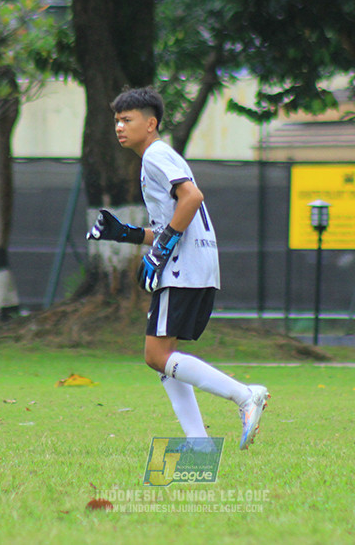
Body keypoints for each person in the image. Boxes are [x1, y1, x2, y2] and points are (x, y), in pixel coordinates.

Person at [86, 86, 269, 450]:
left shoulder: (155, 155)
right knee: (163, 356)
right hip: (194, 265)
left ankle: (245, 395)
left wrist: (162, 249)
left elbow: (193, 198)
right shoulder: (157, 157)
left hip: (185, 268)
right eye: (116, 121)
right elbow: (175, 219)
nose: (119, 127)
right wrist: (127, 234)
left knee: (156, 355)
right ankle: (199, 443)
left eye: (127, 120)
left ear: (150, 124)